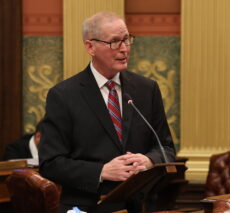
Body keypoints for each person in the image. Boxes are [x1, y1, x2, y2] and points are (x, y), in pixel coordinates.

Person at [39, 11, 176, 213]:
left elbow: (166, 148)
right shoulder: (64, 95)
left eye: (126, 40)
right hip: (87, 206)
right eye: (114, 42)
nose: (124, 49)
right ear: (90, 46)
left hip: (139, 206)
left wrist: (149, 160)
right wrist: (101, 171)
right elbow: (50, 163)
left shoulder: (146, 89)